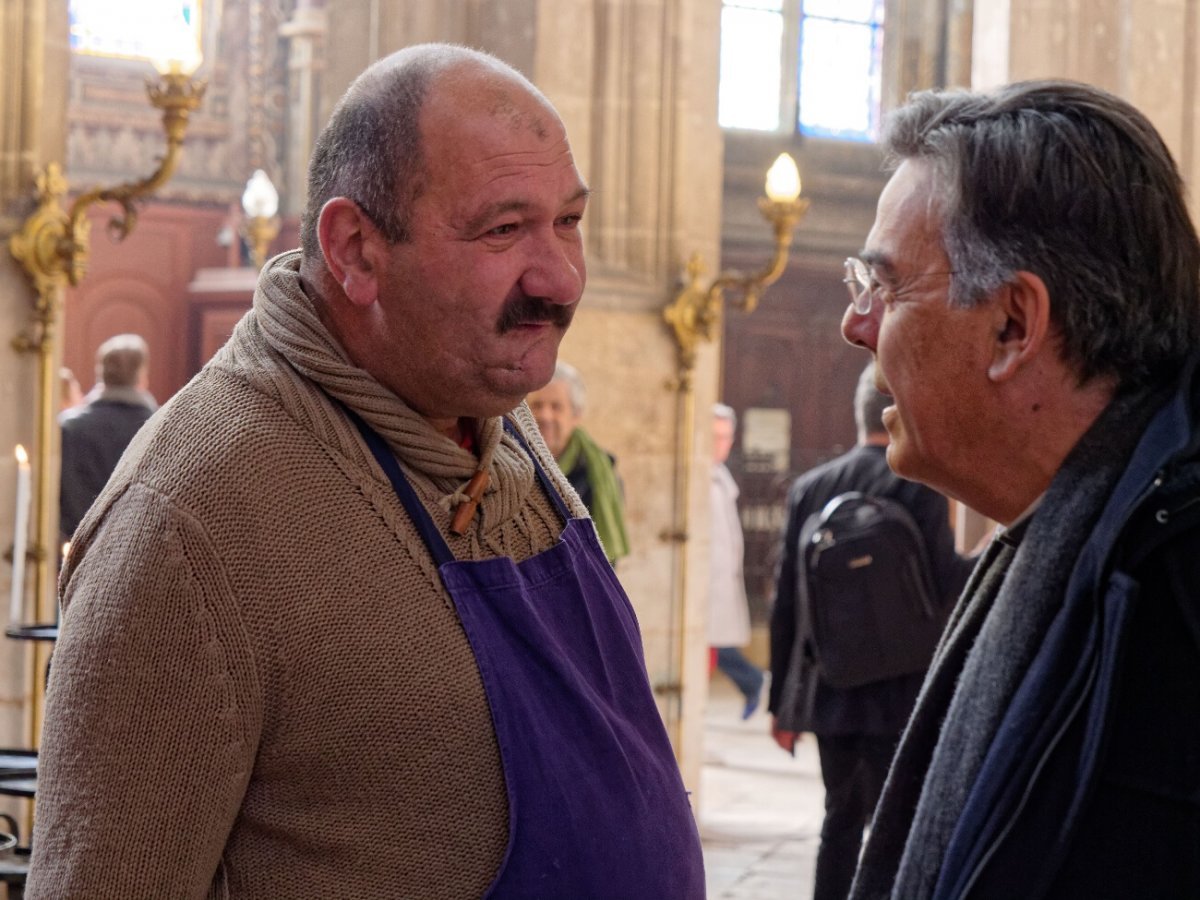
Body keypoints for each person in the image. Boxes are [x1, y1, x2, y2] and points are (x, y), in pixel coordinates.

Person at [29, 44, 705, 899]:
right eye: (503, 229)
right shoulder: (184, 531)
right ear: (355, 248)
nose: (561, 277)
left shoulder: (496, 409)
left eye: (568, 221)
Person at [838, 80, 1200, 899]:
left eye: (884, 288)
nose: (855, 326)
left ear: (1013, 325)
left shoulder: (1169, 586)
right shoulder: (1094, 531)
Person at [768, 364, 973, 900]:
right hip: (902, 689)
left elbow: (787, 600)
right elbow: (945, 587)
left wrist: (780, 705)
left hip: (830, 687)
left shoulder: (810, 490)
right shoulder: (921, 489)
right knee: (895, 824)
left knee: (838, 819)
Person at [527, 360, 630, 564]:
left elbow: (604, 558)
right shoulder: (505, 461)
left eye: (556, 407)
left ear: (576, 416)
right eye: (537, 405)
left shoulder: (598, 473)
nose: (544, 415)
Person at [57, 334, 156, 539]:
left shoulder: (69, 428)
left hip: (78, 547)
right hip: (137, 546)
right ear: (142, 376)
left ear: (100, 373)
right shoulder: (159, 427)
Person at [709, 403, 765, 719]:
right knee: (714, 649)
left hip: (721, 582)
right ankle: (752, 681)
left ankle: (752, 682)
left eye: (726, 437)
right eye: (715, 436)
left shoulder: (721, 477)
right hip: (707, 585)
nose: (721, 444)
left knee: (717, 648)